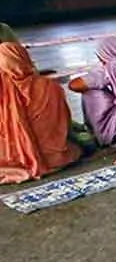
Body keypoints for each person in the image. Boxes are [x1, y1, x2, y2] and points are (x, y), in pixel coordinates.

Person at [0, 36, 81, 183]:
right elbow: (64, 124)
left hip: (10, 161)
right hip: (57, 157)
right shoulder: (50, 87)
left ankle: (20, 160)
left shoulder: (3, 93)